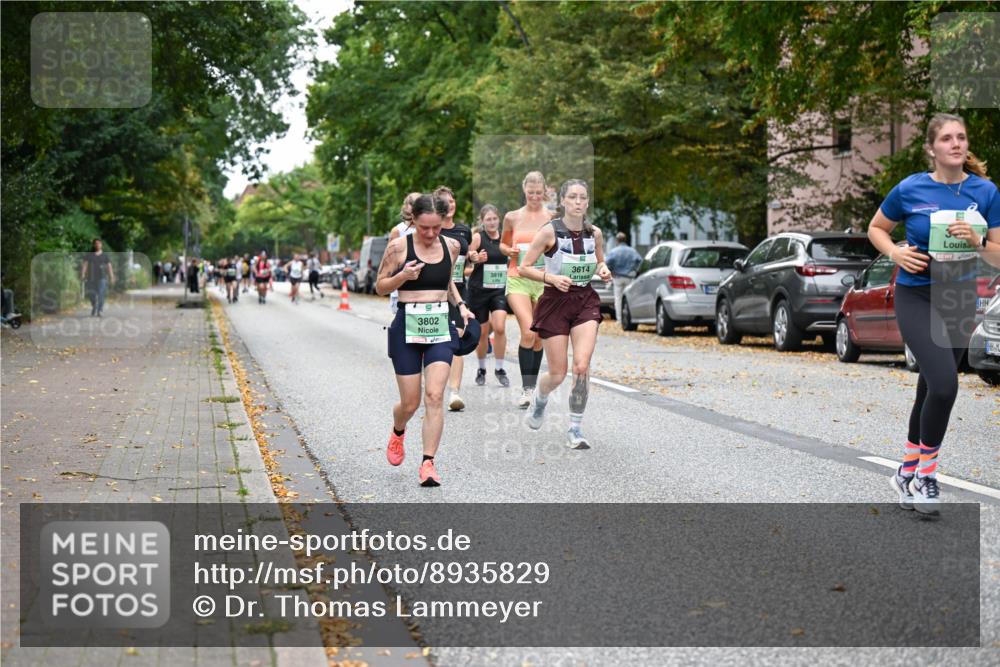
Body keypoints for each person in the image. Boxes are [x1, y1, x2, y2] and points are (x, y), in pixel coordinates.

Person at [867, 112, 1000, 515]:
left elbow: (997, 256)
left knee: (930, 387)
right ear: (932, 148)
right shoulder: (911, 189)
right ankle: (927, 476)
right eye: (947, 138)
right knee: (944, 386)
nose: (956, 144)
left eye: (961, 137)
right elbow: (877, 227)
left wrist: (977, 240)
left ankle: (906, 472)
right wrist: (895, 252)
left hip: (959, 298)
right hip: (916, 297)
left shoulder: (986, 191)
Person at [375, 193, 474, 487]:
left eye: (436, 227)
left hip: (439, 326)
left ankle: (428, 463)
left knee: (434, 396)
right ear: (413, 221)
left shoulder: (452, 246)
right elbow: (380, 287)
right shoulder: (397, 247)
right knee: (410, 402)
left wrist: (461, 305)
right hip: (407, 326)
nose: (430, 234)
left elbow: (447, 280)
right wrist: (402, 276)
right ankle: (398, 429)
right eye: (423, 228)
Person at [518, 179, 612, 449]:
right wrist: (550, 278)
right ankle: (540, 399)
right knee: (558, 374)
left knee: (581, 366)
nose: (578, 202)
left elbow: (599, 261)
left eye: (583, 197)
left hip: (585, 301)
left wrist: (602, 270)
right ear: (562, 201)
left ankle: (575, 428)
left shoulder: (594, 233)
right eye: (573, 197)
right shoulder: (549, 232)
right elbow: (524, 268)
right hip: (555, 301)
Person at [500, 171, 552, 407]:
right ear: (524, 191)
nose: (534, 196)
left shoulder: (552, 217)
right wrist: (507, 251)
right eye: (530, 192)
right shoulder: (512, 217)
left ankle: (532, 387)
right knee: (528, 331)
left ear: (545, 192)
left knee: (539, 336)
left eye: (538, 193)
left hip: (542, 279)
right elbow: (503, 243)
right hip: (517, 277)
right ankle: (527, 389)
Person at [435, 185, 474, 411]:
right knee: (438, 340)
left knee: (457, 338)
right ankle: (434, 383)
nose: (450, 205)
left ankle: (454, 393)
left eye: (452, 200)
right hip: (436, 293)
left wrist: (474, 259)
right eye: (445, 201)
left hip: (460, 290)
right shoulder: (432, 230)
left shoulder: (463, 231)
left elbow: (467, 261)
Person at [467, 204, 510, 387]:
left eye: (494, 219)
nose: (492, 222)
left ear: (498, 219)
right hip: (479, 290)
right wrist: (475, 257)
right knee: (483, 332)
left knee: (499, 327)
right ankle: (482, 368)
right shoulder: (478, 237)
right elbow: (468, 254)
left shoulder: (506, 238)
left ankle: (499, 368)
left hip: (499, 289)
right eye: (488, 220)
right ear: (483, 221)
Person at [389, 192, 423, 314]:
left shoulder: (429, 230)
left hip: (425, 292)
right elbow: (390, 266)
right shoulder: (398, 231)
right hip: (402, 292)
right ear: (406, 208)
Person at [605, 231, 644, 322]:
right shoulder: (632, 251)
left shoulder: (614, 251)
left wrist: (611, 271)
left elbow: (607, 263)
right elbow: (640, 261)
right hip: (629, 277)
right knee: (628, 298)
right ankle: (629, 318)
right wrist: (635, 271)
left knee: (618, 299)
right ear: (625, 240)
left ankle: (620, 319)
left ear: (617, 241)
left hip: (618, 277)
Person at [81, 238, 114, 317]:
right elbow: (85, 265)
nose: (97, 245)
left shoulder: (105, 256)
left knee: (101, 294)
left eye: (99, 243)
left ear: (101, 245)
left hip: (102, 278)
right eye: (96, 243)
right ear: (93, 245)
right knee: (91, 294)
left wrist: (111, 276)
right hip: (91, 278)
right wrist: (82, 274)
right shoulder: (89, 255)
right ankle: (94, 305)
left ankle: (100, 310)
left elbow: (109, 266)